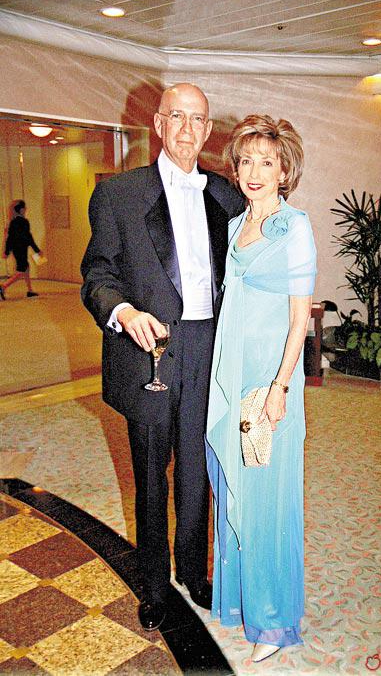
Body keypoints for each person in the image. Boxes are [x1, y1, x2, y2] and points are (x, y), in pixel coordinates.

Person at [81, 83, 244, 631]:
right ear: (158, 124)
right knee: (151, 474)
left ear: (207, 129)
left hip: (208, 347)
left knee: (197, 469)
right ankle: (153, 586)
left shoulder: (227, 196)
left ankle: (194, 572)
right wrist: (123, 311)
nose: (187, 129)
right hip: (149, 348)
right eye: (177, 116)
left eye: (197, 120)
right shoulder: (119, 194)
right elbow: (97, 273)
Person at [206, 115, 317, 662]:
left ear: (284, 170)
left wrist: (280, 387)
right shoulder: (235, 226)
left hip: (269, 383)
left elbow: (299, 319)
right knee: (236, 485)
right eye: (246, 160)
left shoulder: (294, 227)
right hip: (231, 375)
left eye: (266, 162)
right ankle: (241, 601)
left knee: (268, 495)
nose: (254, 171)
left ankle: (273, 622)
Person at [1, 200, 42, 299]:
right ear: (22, 210)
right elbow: (28, 237)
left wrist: (7, 251)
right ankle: (3, 286)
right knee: (21, 271)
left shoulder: (12, 222)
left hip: (16, 249)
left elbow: (10, 238)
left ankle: (30, 290)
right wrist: (37, 250)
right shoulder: (24, 222)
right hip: (22, 248)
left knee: (26, 267)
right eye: (25, 208)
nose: (26, 210)